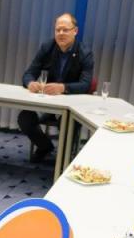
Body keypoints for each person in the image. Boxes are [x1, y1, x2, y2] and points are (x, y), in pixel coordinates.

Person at [18, 13, 95, 162]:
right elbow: (28, 73)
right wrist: (30, 83)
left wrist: (63, 88)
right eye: (57, 30)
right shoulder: (47, 47)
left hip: (71, 105)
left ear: (75, 31)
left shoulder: (85, 53)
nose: (61, 33)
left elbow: (85, 84)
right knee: (24, 118)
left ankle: (64, 160)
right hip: (47, 101)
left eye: (65, 30)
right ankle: (45, 146)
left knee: (68, 124)